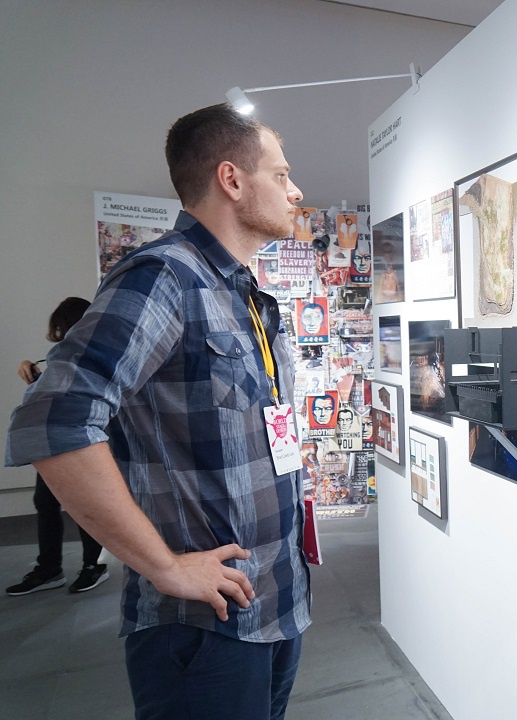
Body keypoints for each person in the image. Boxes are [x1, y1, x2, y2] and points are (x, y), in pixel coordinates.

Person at [5, 104, 310, 719]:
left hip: (276, 602)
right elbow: (53, 420)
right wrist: (164, 567)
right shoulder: (164, 277)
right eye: (280, 175)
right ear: (231, 179)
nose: (296, 191)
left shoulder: (241, 291)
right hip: (204, 624)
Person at [6, 297, 111, 596]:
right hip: (55, 440)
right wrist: (32, 372)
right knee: (46, 502)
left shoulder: (97, 356)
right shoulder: (65, 357)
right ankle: (50, 568)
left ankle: (93, 565)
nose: (60, 335)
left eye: (62, 329)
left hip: (85, 439)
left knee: (85, 504)